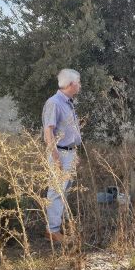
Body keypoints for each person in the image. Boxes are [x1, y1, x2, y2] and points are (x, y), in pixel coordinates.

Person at [42, 69, 82, 242]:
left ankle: (60, 227)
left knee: (63, 191)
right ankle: (52, 231)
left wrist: (74, 153)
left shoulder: (67, 102)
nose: (80, 86)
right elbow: (48, 132)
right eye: (78, 82)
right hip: (60, 153)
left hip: (69, 153)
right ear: (71, 84)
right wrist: (56, 157)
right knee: (56, 192)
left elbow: (69, 131)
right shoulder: (54, 103)